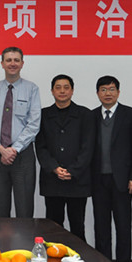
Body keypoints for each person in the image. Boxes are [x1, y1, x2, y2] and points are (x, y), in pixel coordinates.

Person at [0, 47, 41, 218]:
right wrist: (1, 149)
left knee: (25, 210)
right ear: (2, 64)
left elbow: (34, 124)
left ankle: (25, 238)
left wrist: (14, 149)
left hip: (23, 156)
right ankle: (1, 238)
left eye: (16, 60)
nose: (12, 63)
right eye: (8, 60)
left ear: (22, 63)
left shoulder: (32, 89)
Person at [91, 75, 132, 262]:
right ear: (98, 93)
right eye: (103, 90)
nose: (108, 93)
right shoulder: (91, 116)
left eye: (112, 89)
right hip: (98, 179)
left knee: (123, 224)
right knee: (101, 225)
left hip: (123, 180)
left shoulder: (131, 115)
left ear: (118, 92)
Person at [35, 74, 94, 241]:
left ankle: (79, 256)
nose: (62, 91)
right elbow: (40, 147)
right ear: (52, 91)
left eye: (66, 87)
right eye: (58, 87)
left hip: (77, 180)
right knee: (53, 228)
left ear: (72, 91)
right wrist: (54, 168)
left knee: (77, 227)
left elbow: (88, 147)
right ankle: (54, 258)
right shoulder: (43, 115)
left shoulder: (85, 114)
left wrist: (73, 170)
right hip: (52, 180)